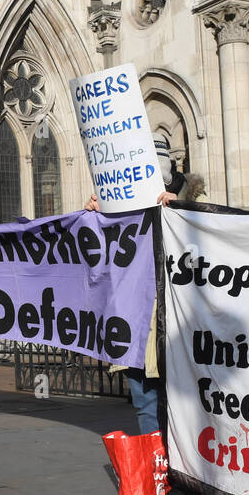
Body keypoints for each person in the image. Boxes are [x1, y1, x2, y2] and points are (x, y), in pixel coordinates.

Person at [86, 139, 205, 435]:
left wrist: (182, 212)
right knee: (145, 405)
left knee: (187, 406)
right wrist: (92, 217)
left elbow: (213, 249)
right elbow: (95, 260)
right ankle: (157, 472)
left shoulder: (192, 201)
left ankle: (186, 473)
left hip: (178, 326)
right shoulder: (122, 208)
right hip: (135, 326)